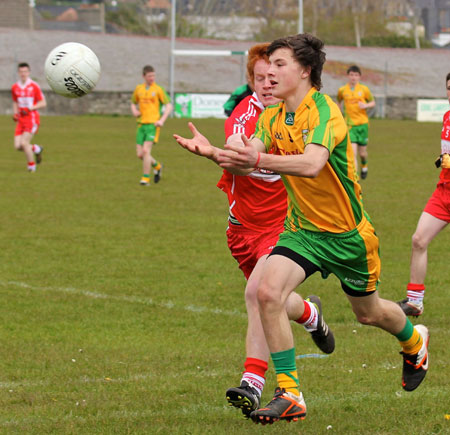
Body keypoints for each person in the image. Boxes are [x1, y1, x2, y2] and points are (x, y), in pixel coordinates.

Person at [174, 34, 429, 425]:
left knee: (370, 313)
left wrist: (257, 156)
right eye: (268, 65)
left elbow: (311, 164)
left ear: (305, 71)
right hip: (302, 231)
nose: (270, 73)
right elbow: (248, 163)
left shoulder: (325, 110)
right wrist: (213, 153)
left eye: (280, 64)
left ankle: (414, 341)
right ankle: (290, 393)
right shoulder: (272, 116)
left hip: (347, 236)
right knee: (266, 292)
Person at [175, 43, 335, 419]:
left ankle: (252, 381)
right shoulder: (245, 114)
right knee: (272, 301)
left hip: (283, 227)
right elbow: (237, 151)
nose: (266, 83)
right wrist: (220, 150)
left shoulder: (297, 116)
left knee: (256, 293)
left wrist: (234, 154)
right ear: (251, 81)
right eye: (259, 78)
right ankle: (310, 313)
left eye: (272, 75)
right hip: (241, 228)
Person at [397, 72, 450, 317]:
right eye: (448, 88)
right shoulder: (447, 117)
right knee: (419, 240)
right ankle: (415, 301)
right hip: (443, 192)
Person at [131, 65, 172, 186]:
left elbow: (169, 105)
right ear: (144, 76)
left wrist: (162, 120)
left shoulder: (158, 89)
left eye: (153, 75)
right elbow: (133, 102)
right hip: (141, 125)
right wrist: (134, 110)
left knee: (145, 151)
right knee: (140, 155)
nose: (152, 78)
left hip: (153, 125)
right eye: (149, 76)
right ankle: (158, 166)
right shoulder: (139, 89)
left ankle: (145, 178)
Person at [337, 65, 375, 179]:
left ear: (359, 77)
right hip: (350, 126)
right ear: (348, 76)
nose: (354, 77)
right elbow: (338, 102)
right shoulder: (342, 90)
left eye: (356, 75)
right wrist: (339, 114)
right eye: (352, 75)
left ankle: (364, 165)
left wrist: (366, 105)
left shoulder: (364, 89)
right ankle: (355, 179)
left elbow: (373, 102)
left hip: (362, 125)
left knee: (362, 153)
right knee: (352, 154)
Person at [11, 62, 46, 172]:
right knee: (18, 146)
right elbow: (15, 102)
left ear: (29, 72)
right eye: (21, 72)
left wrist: (30, 108)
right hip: (21, 120)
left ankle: (31, 167)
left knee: (24, 143)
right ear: (18, 73)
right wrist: (15, 113)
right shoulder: (15, 87)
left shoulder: (34, 86)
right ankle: (36, 148)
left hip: (31, 118)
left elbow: (43, 103)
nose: (23, 74)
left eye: (25, 71)